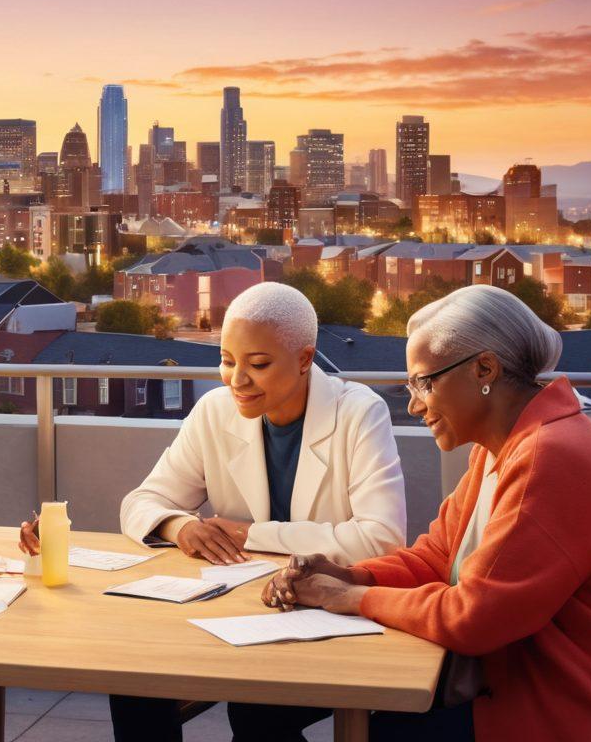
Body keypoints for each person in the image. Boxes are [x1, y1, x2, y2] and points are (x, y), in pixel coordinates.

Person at [263, 285, 591, 742]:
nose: (414, 404)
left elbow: (473, 618)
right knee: (277, 717)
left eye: (424, 382)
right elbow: (436, 557)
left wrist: (346, 598)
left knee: (381, 732)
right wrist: (350, 575)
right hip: (541, 681)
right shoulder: (503, 448)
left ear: (485, 369)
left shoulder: (549, 456)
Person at [28, 282, 404, 742]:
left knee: (258, 713)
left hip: (327, 613)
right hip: (241, 610)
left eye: (258, 365)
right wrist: (180, 525)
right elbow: (141, 502)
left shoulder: (359, 414)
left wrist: (251, 535)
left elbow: (382, 539)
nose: (236, 380)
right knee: (132, 680)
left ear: (305, 360)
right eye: (227, 361)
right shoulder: (214, 411)